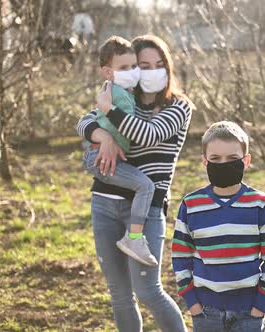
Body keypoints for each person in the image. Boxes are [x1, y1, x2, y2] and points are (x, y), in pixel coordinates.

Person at [76, 34, 192, 332]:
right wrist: (102, 136)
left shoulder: (179, 107)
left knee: (148, 292)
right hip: (104, 203)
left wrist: (109, 113)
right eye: (144, 65)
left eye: (159, 64)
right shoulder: (124, 97)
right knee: (120, 296)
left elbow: (147, 134)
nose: (153, 70)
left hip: (147, 209)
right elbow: (84, 124)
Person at [171, 121, 265, 332]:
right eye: (215, 159)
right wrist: (193, 305)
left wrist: (260, 307)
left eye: (232, 158)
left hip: (249, 311)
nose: (223, 164)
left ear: (246, 160)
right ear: (205, 162)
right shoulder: (191, 205)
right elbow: (180, 257)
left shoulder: (261, 205)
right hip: (206, 312)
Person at [82, 35, 157, 266]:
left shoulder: (118, 91)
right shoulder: (113, 94)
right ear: (107, 71)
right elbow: (126, 127)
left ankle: (133, 236)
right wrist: (105, 136)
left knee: (143, 186)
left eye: (134, 66)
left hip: (102, 154)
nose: (132, 71)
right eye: (124, 67)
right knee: (145, 186)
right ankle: (134, 238)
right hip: (100, 157)